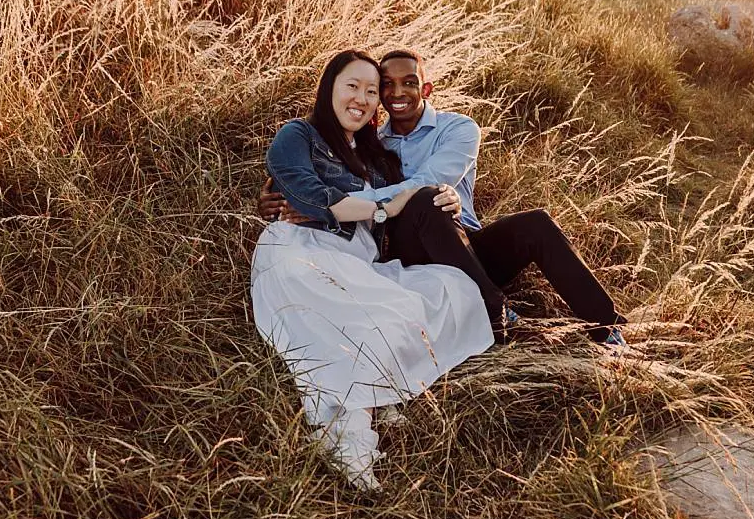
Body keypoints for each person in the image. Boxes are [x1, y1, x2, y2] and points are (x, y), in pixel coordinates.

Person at [260, 49, 630, 345]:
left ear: (426, 89)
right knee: (425, 199)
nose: (397, 93)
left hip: (465, 245)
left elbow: (430, 180)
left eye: (409, 83)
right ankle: (497, 314)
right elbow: (320, 179)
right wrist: (292, 199)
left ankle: (608, 328)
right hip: (414, 249)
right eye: (387, 86)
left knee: (536, 224)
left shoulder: (458, 129)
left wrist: (369, 203)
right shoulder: (375, 144)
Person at [251, 49, 494, 489]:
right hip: (301, 250)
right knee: (357, 328)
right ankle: (353, 435)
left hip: (358, 261)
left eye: (370, 91)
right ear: (329, 89)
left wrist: (446, 197)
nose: (361, 99)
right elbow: (311, 197)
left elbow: (411, 200)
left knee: (446, 290)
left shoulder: (377, 157)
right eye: (352, 87)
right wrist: (381, 209)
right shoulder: (298, 135)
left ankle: (377, 394)